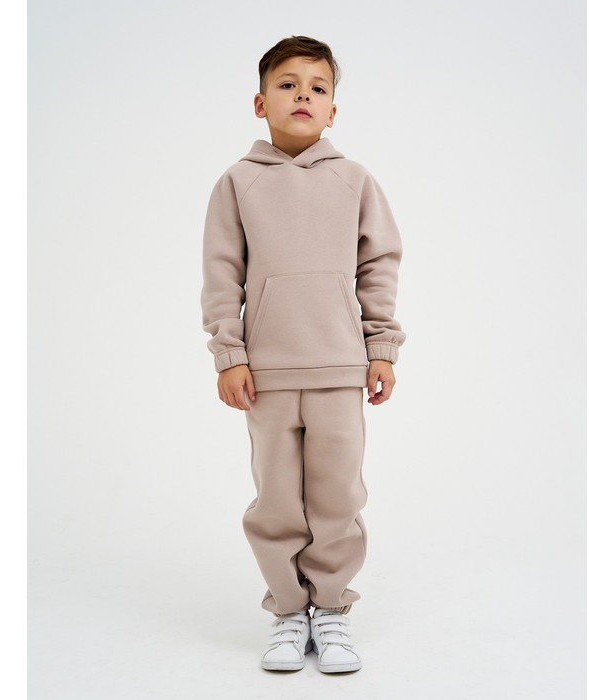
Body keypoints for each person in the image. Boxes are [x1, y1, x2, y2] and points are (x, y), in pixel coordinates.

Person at [200, 35, 406, 673]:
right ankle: (289, 610)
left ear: (332, 110)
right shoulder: (238, 182)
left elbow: (378, 264)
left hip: (340, 368)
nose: (303, 96)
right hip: (265, 374)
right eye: (287, 85)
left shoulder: (354, 180)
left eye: (318, 88)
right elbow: (221, 273)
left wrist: (381, 347)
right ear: (260, 103)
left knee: (337, 495)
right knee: (278, 500)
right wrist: (229, 354)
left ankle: (332, 608)